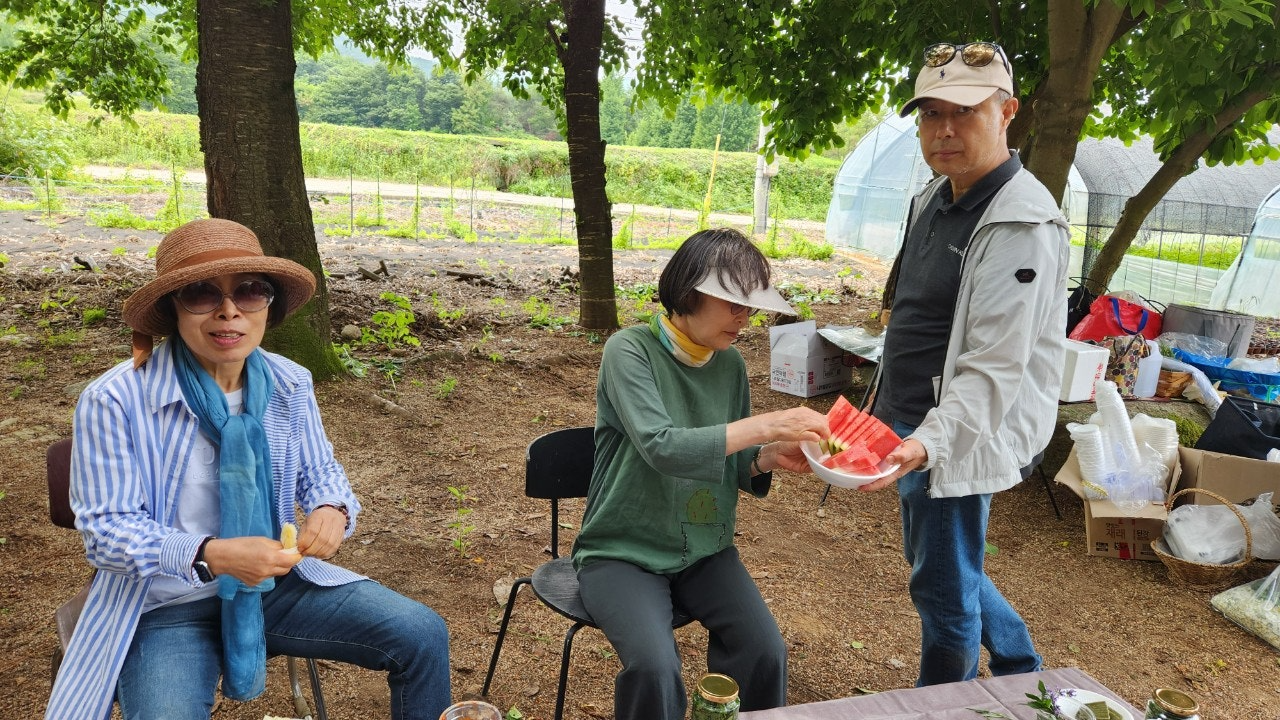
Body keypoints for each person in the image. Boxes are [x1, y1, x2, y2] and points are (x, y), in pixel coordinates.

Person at [46, 218, 451, 720]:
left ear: (269, 304)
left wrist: (331, 508)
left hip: (275, 587)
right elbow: (106, 533)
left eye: (250, 291)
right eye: (200, 293)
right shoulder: (115, 400)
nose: (229, 310)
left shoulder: (289, 382)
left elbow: (321, 471)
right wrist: (213, 555)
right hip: (163, 605)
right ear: (172, 308)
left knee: (421, 633)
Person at [861, 42, 1070, 686]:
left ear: (1007, 112)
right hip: (911, 419)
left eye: (965, 112)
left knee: (943, 593)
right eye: (930, 113)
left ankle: (942, 701)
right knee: (952, 563)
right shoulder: (934, 194)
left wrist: (927, 444)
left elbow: (992, 370)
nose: (943, 129)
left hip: (955, 432)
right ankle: (1019, 665)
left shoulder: (1020, 224)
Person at [571, 228, 830, 720]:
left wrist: (769, 455)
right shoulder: (629, 351)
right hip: (622, 550)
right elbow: (661, 446)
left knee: (764, 651)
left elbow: (729, 462)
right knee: (654, 669)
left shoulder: (729, 364)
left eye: (750, 306)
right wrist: (768, 423)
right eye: (732, 301)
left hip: (703, 548)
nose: (744, 317)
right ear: (689, 291)